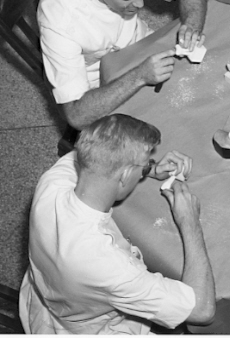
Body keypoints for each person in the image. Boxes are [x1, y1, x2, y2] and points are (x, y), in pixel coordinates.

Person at [19, 114, 216, 334]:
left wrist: (151, 168)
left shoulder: (52, 182)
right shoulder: (111, 266)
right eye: (142, 166)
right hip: (90, 326)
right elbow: (202, 310)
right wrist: (189, 221)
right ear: (124, 176)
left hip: (47, 296)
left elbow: (93, 157)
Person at [39, 0, 208, 130]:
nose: (140, 4)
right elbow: (76, 116)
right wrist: (140, 76)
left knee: (197, 89)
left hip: (138, 42)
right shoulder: (59, 23)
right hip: (96, 81)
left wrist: (191, 26)